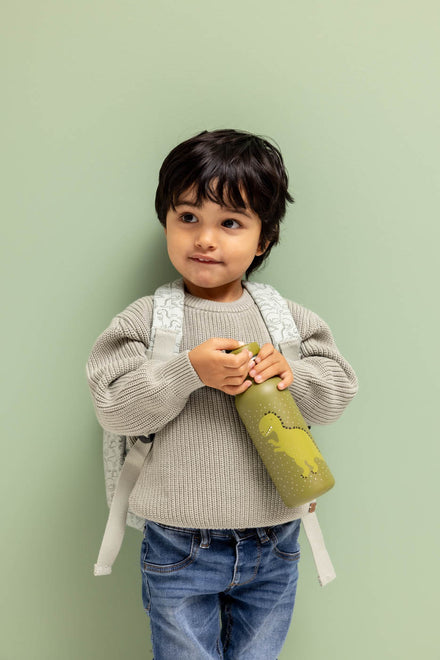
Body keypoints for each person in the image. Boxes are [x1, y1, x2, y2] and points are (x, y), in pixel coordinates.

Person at [86, 128, 358, 659]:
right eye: (188, 217)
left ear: (263, 239)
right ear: (166, 222)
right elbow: (113, 407)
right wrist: (188, 370)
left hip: (275, 540)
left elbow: (337, 394)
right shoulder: (148, 320)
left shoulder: (285, 321)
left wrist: (293, 375)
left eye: (230, 223)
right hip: (178, 541)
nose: (205, 239)